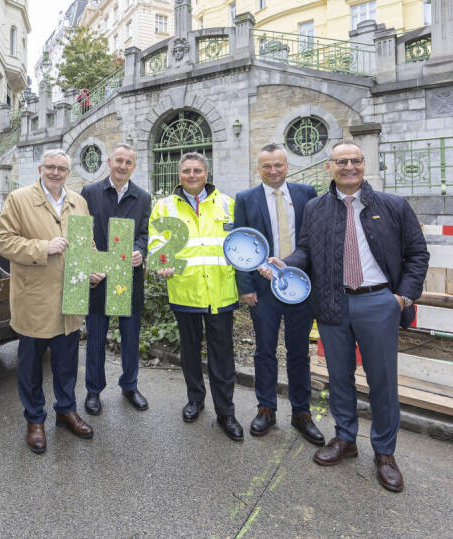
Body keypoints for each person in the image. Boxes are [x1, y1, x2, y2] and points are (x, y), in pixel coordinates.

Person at [263, 141, 429, 492]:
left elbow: (417, 254)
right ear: (329, 167)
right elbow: (306, 250)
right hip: (332, 304)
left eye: (355, 160)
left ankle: (385, 453)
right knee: (339, 378)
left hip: (378, 304)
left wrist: (402, 298)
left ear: (363, 164)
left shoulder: (392, 205)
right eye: (341, 161)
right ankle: (345, 438)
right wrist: (286, 263)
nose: (349, 167)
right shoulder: (316, 208)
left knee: (382, 381)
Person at [0, 149, 100, 454]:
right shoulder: (19, 199)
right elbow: (2, 240)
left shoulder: (78, 202)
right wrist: (43, 247)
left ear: (69, 172)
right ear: (40, 169)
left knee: (66, 362)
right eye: (50, 167)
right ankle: (35, 419)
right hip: (35, 297)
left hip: (71, 296)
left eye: (61, 169)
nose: (55, 172)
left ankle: (66, 411)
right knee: (31, 366)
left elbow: (86, 243)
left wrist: (91, 265)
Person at [150, 152, 243, 441]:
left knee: (222, 355)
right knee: (190, 352)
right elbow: (156, 242)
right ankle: (195, 399)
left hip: (221, 292)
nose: (192, 175)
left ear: (207, 174)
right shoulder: (164, 206)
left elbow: (241, 242)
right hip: (186, 291)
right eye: (187, 170)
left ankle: (226, 412)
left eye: (198, 170)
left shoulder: (228, 204)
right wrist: (160, 262)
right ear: (180, 175)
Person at [234, 144, 323, 445]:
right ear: (258, 169)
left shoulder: (305, 194)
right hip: (262, 290)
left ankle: (302, 413)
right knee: (265, 350)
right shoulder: (246, 199)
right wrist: (245, 287)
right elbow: (241, 243)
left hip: (299, 286)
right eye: (267, 166)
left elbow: (311, 241)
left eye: (278, 165)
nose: (273, 171)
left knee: (299, 351)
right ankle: (266, 409)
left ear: (287, 166)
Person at [81, 143, 152, 416]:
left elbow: (145, 233)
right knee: (96, 336)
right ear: (109, 162)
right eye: (118, 161)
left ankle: (130, 385)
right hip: (98, 275)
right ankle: (93, 390)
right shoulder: (89, 193)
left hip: (127, 276)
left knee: (130, 336)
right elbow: (81, 230)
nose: (122, 166)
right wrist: (87, 260)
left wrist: (140, 250)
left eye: (128, 162)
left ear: (134, 166)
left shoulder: (143, 197)